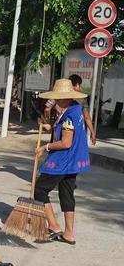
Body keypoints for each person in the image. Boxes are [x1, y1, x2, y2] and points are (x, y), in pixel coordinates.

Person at [34, 79, 90, 245]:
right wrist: (47, 127)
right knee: (66, 193)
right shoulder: (74, 109)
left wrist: (45, 147)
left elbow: (65, 142)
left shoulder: (69, 116)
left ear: (66, 97)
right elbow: (62, 132)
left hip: (65, 159)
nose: (56, 100)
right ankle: (69, 234)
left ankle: (54, 226)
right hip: (74, 160)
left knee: (40, 190)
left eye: (58, 97)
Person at [43, 74, 96, 144]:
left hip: (60, 128)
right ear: (77, 85)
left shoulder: (57, 95)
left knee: (60, 148)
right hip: (75, 129)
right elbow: (86, 117)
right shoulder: (81, 99)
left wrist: (47, 122)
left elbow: (47, 109)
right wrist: (92, 132)